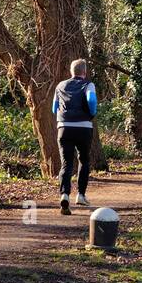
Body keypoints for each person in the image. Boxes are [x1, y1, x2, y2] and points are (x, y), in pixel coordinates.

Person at [52, 59, 97, 214]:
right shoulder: (88, 85)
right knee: (84, 160)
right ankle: (81, 195)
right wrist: (91, 113)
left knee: (66, 164)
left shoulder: (60, 85)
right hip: (84, 128)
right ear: (84, 72)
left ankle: (64, 194)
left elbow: (54, 107)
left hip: (64, 128)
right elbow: (91, 100)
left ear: (71, 71)